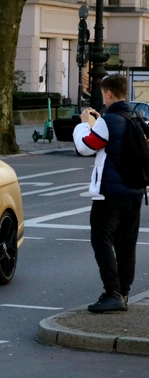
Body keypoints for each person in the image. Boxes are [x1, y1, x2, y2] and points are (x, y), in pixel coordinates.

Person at [72, 74, 144, 313]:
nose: (103, 96)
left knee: (101, 241)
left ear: (109, 93)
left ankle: (112, 292)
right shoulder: (135, 116)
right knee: (126, 245)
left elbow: (85, 147)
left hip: (110, 195)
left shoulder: (109, 120)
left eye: (103, 93)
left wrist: (84, 123)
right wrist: (99, 122)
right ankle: (123, 292)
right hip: (134, 192)